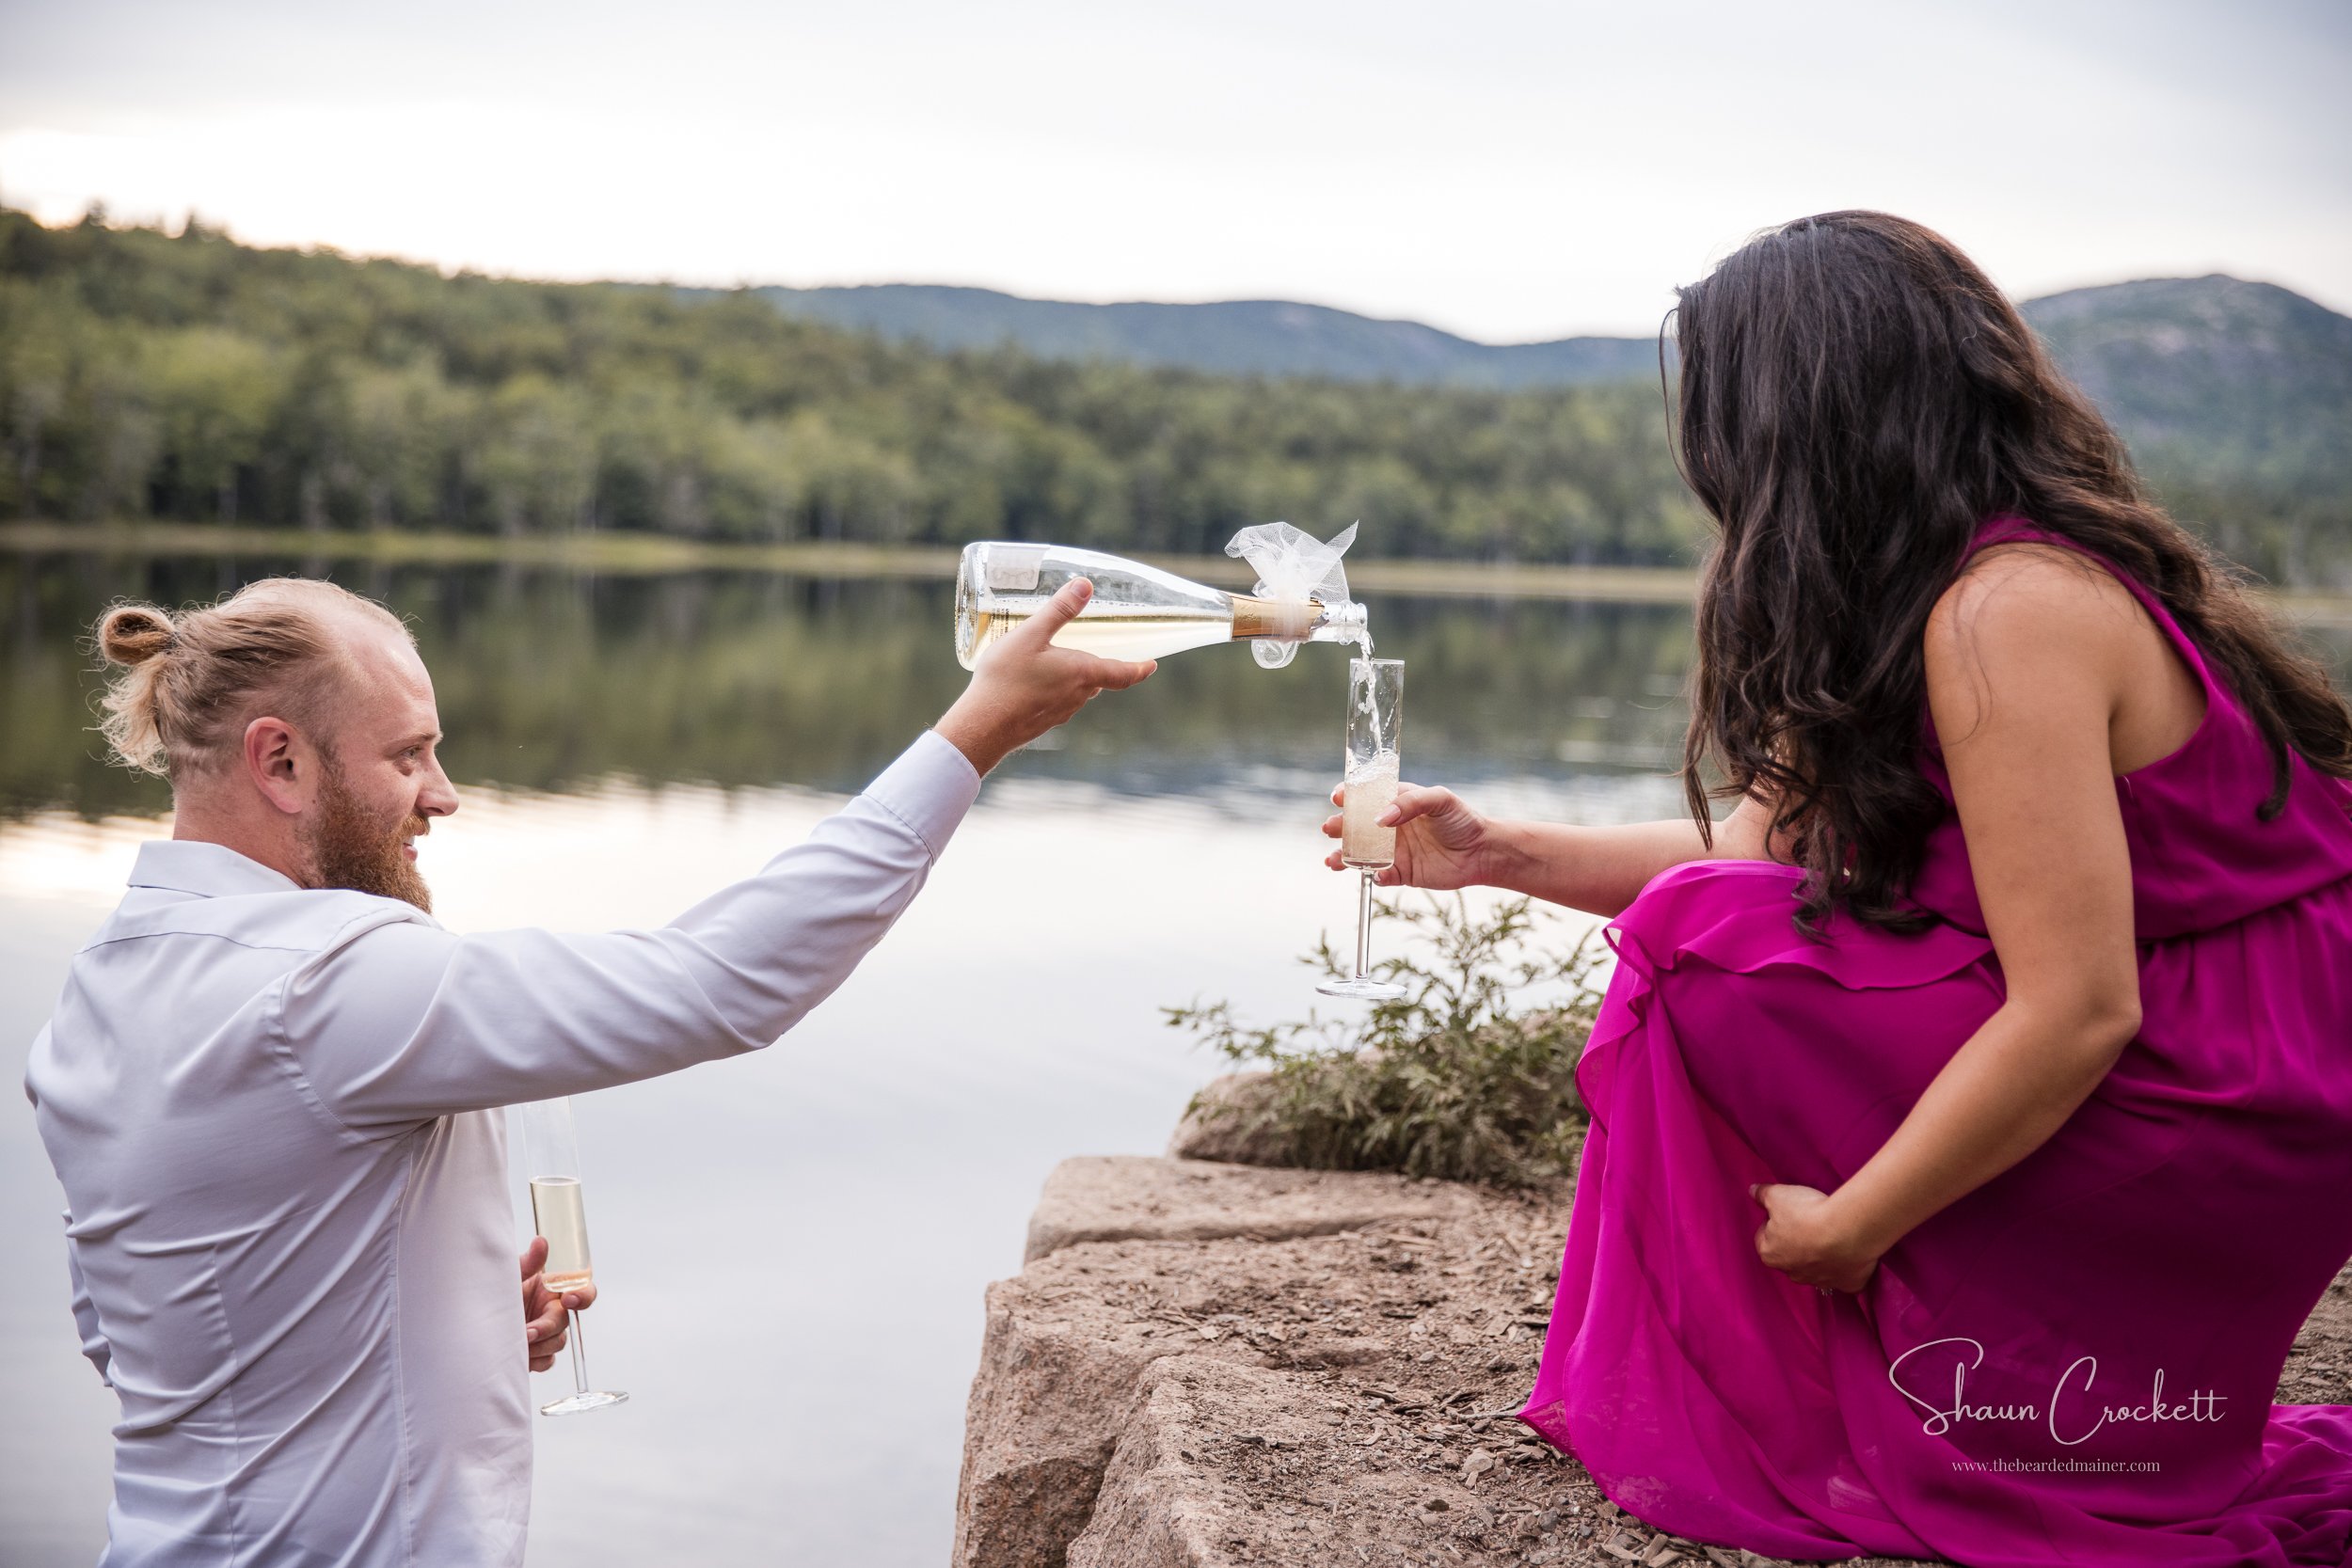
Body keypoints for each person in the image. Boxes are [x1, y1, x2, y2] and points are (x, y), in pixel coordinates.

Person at [1327, 213, 2352, 1562]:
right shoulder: (1920, 594)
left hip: (2230, 1079)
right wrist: (1497, 853)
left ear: (1798, 422)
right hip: (2190, 1037)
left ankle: (1947, 1392)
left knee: (1702, 952)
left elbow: (2082, 1004)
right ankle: (1965, 1383)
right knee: (1710, 922)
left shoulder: (2012, 607)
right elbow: (1767, 848)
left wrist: (1853, 1224)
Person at [26, 573, 1152, 1567]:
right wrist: (974, 734)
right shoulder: (326, 978)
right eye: (408, 753)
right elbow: (720, 982)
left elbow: (147, 1339)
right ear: (279, 759)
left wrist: (437, 1323)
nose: (444, 793)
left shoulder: (96, 997)